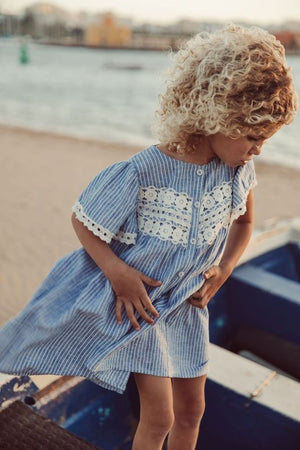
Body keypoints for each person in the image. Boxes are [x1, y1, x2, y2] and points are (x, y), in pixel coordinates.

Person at [0, 24, 297, 450]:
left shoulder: (237, 172)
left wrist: (225, 268)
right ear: (217, 116)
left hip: (188, 306)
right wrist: (118, 273)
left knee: (193, 412)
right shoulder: (144, 171)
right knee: (160, 415)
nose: (259, 150)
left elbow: (245, 224)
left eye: (266, 139)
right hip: (145, 311)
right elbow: (85, 221)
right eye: (253, 137)